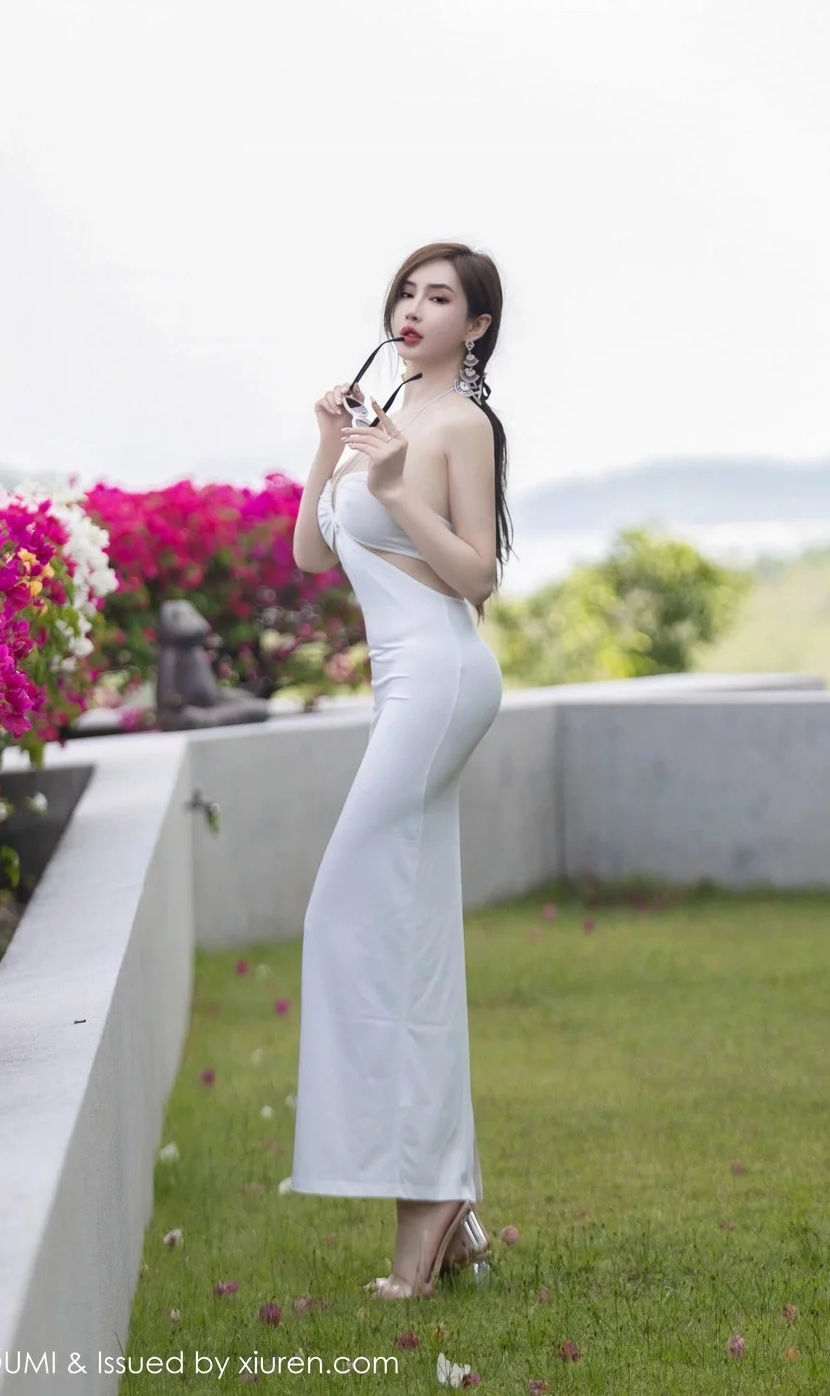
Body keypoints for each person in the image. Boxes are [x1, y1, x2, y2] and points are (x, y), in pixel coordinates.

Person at [288, 240, 513, 1299]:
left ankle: (432, 1197)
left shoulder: (460, 424)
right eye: (408, 292)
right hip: (403, 686)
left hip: (441, 675)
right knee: (402, 931)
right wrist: (329, 449)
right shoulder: (381, 419)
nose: (415, 309)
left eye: (441, 297)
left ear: (476, 326)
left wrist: (391, 484)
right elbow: (309, 553)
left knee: (347, 915)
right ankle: (440, 1201)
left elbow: (478, 575)